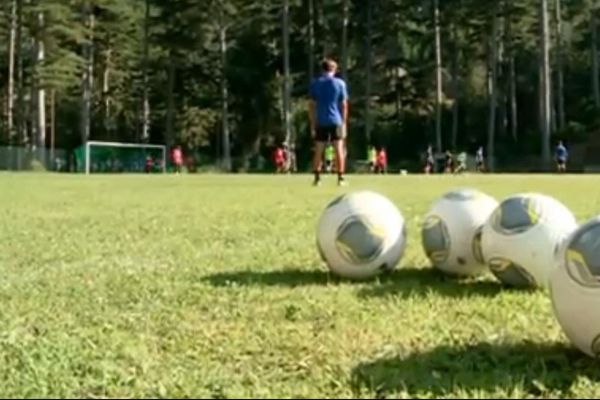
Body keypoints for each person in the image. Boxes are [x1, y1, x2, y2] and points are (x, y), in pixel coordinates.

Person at [309, 58, 349, 186]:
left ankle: (317, 178)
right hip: (336, 120)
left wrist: (312, 123)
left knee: (318, 149)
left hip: (321, 120)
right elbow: (344, 104)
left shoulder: (316, 83)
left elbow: (312, 105)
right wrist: (344, 122)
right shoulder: (340, 83)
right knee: (339, 149)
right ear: (334, 69)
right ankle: (341, 178)